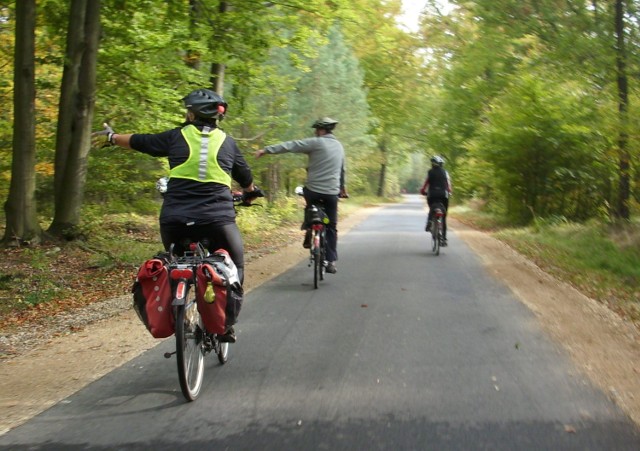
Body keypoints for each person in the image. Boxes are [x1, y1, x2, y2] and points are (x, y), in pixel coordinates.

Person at [91, 88, 263, 343]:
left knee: (176, 264)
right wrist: (250, 193)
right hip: (217, 221)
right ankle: (224, 324)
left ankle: (178, 309)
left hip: (175, 221)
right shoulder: (227, 143)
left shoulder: (175, 137)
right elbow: (245, 176)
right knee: (234, 266)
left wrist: (113, 137)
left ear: (192, 114)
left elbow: (142, 141)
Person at [254, 117, 347, 274]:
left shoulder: (315, 142)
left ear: (321, 130)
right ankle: (330, 261)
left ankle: (309, 227)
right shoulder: (339, 146)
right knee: (331, 226)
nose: (315, 132)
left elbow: (291, 145)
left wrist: (266, 150)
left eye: (317, 130)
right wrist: (342, 188)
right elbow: (342, 170)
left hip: (313, 191)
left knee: (309, 202)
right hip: (332, 192)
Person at [420, 155, 452, 246]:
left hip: (432, 195)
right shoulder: (445, 173)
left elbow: (425, 185)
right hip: (443, 196)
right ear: (441, 164)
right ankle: (444, 239)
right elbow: (449, 186)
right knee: (444, 217)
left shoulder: (429, 172)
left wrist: (423, 192)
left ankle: (430, 222)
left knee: (432, 208)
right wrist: (449, 192)